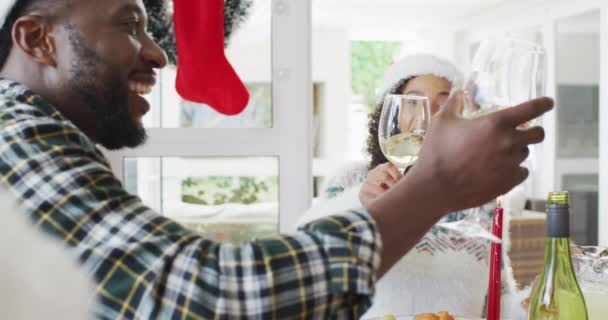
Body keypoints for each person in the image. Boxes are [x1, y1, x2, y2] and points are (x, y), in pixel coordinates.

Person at [0, 0, 551, 318]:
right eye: (128, 22)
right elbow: (209, 297)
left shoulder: (50, 142)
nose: (157, 51)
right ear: (36, 38)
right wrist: (439, 184)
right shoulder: (16, 136)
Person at [307, 54, 515, 317]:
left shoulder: (480, 196)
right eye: (412, 102)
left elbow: (499, 293)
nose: (425, 118)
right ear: (389, 115)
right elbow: (314, 272)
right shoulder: (350, 182)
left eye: (441, 105)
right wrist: (362, 207)